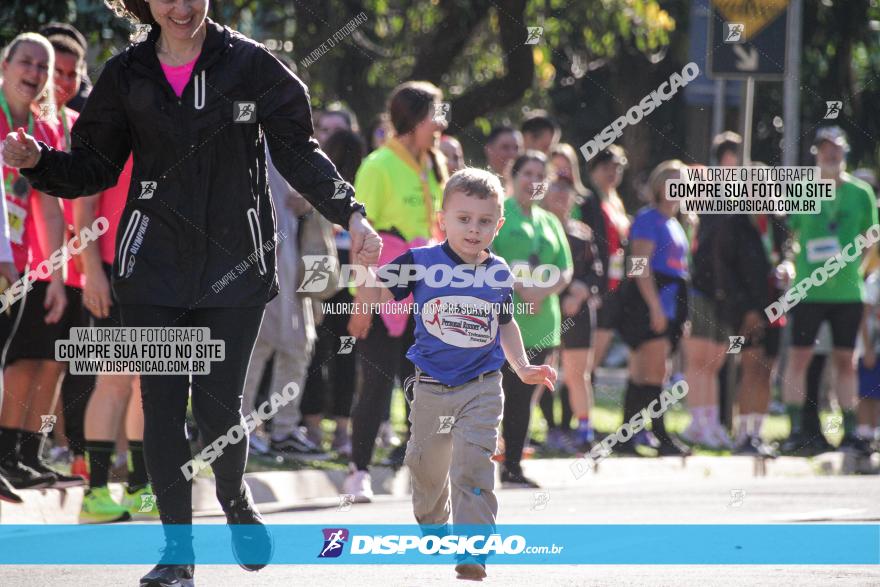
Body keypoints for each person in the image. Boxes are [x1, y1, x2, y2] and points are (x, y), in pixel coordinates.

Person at [3, 3, 379, 586]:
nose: (181, 7)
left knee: (217, 410)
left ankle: (234, 502)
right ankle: (177, 554)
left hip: (236, 264)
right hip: (153, 268)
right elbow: (94, 166)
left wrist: (349, 213)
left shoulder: (252, 67)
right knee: (161, 409)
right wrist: (39, 162)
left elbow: (299, 149)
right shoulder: (127, 73)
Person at [358, 168, 557, 581]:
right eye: (463, 218)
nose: (474, 229)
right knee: (425, 466)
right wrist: (365, 270)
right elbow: (378, 292)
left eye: (485, 221)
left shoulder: (498, 271)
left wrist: (520, 366)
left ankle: (473, 549)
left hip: (483, 387)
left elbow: (505, 323)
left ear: (498, 225)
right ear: (442, 219)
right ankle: (434, 525)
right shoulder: (421, 261)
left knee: (473, 466)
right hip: (430, 386)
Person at [344, 81, 447, 501]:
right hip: (384, 285)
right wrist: (363, 301)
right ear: (415, 118)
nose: (440, 124)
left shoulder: (433, 164)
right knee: (375, 382)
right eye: (434, 115)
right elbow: (363, 239)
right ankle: (358, 471)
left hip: (425, 287)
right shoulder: (378, 165)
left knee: (423, 382)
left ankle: (418, 466)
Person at [0, 32, 76, 491]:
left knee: (16, 358)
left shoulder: (43, 131)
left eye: (42, 67)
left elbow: (51, 207)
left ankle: (14, 458)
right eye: (27, 62)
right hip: (4, 257)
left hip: (23, 263)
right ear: (5, 65)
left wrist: (55, 276)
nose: (35, 73)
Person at [780, 127, 877, 455]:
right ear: (816, 154)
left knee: (845, 360)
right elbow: (788, 235)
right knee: (799, 358)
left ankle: (850, 432)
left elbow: (870, 238)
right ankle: (795, 430)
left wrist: (855, 271)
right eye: (824, 150)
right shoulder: (803, 189)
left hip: (848, 293)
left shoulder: (860, 193)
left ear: (844, 153)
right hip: (809, 290)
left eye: (835, 149)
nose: (830, 155)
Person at [492, 152, 572, 486]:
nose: (534, 181)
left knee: (523, 399)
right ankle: (479, 463)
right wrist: (516, 284)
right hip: (501, 322)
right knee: (493, 396)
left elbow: (565, 268)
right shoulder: (499, 214)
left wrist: (542, 291)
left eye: (541, 175)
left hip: (541, 324)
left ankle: (512, 466)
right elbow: (482, 255)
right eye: (527, 173)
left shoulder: (550, 220)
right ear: (512, 175)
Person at [616, 160, 691, 456]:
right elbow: (638, 265)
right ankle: (657, 435)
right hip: (650, 299)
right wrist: (654, 307)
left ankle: (630, 435)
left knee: (650, 372)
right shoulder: (648, 219)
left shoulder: (677, 222)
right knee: (653, 371)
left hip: (672, 300)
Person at [299, 128, 367, 457]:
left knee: (315, 347)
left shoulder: (315, 179)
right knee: (344, 351)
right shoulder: (358, 184)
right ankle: (341, 430)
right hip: (340, 264)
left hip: (319, 263)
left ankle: (313, 428)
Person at [681, 133, 742, 449]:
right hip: (701, 289)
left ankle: (712, 422)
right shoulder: (702, 195)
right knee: (699, 359)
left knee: (717, 361)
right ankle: (698, 423)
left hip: (727, 293)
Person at [541, 179, 602, 451]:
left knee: (578, 373)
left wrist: (581, 292)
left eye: (567, 191)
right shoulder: (538, 230)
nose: (561, 196)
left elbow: (597, 272)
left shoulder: (582, 234)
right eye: (555, 189)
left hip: (577, 312)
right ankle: (541, 429)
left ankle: (584, 430)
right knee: (540, 371)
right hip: (542, 309)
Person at [584, 146, 630, 371]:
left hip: (614, 284)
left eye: (617, 168)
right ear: (593, 170)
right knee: (583, 358)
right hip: (597, 284)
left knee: (597, 356)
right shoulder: (588, 200)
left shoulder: (617, 201)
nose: (612, 173)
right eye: (605, 168)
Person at [856, 267, 880, 455]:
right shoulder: (874, 281)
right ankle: (864, 434)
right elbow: (864, 316)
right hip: (872, 347)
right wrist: (868, 348)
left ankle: (875, 433)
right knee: (867, 392)